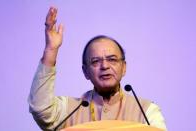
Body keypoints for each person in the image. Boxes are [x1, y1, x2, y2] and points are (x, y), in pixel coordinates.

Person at [28, 7, 167, 131]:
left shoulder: (147, 111)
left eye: (112, 59)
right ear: (85, 72)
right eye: (95, 61)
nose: (105, 66)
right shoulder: (69, 110)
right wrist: (51, 50)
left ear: (124, 68)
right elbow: (40, 109)